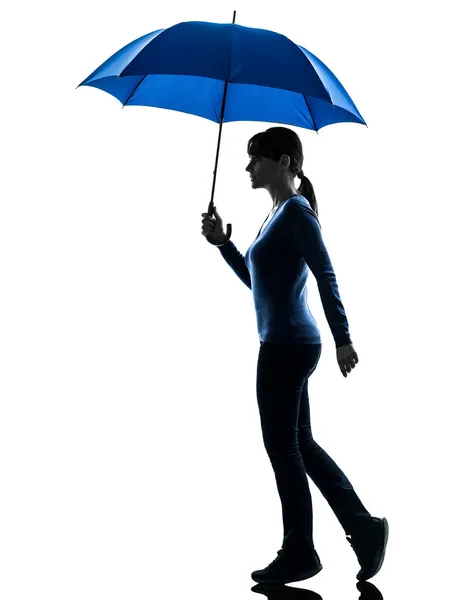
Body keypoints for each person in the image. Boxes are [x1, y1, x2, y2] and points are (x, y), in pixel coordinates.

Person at [200, 127, 389, 585]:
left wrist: (344, 337)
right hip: (286, 344)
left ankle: (300, 551)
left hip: (287, 348)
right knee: (299, 444)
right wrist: (223, 244)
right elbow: (258, 283)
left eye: (256, 159)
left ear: (284, 162)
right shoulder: (276, 213)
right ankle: (363, 528)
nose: (248, 167)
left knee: (282, 448)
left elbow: (326, 275)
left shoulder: (297, 213)